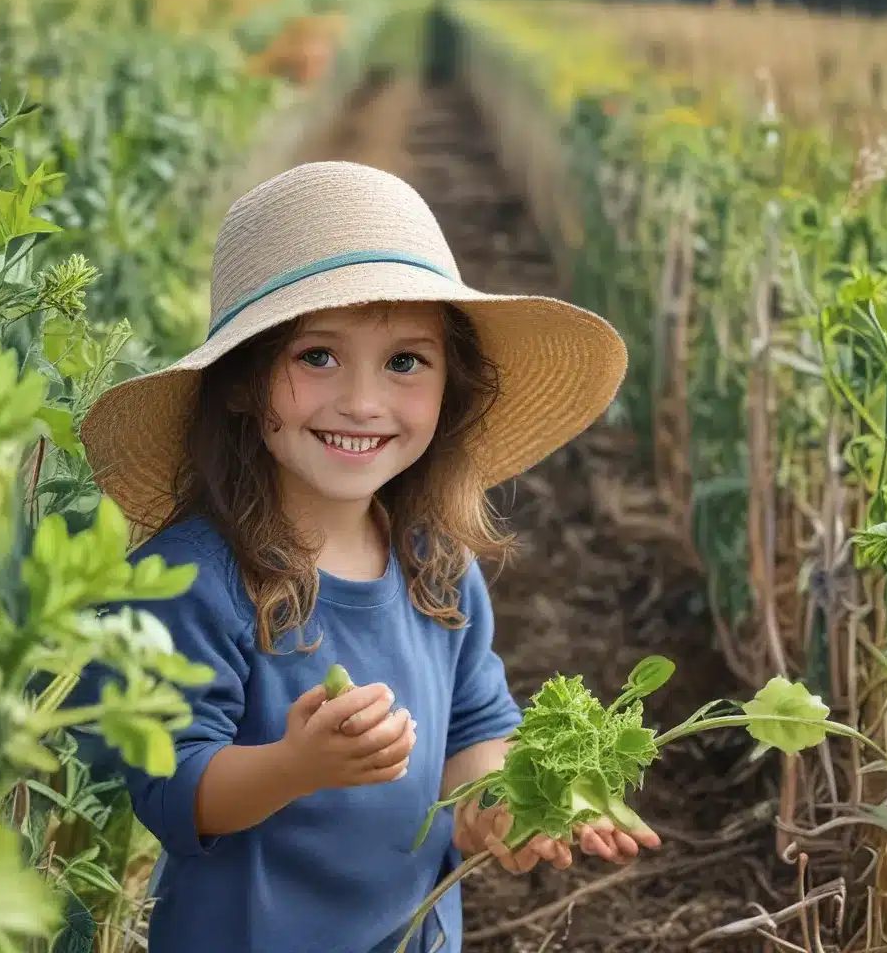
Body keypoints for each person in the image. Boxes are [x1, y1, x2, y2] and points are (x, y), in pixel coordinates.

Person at [73, 161, 662, 953]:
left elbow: (474, 733)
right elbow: (175, 788)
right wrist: (295, 763)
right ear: (243, 385)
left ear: (449, 387)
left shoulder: (437, 562)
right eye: (317, 356)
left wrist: (499, 807)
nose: (362, 401)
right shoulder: (194, 579)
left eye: (405, 362)